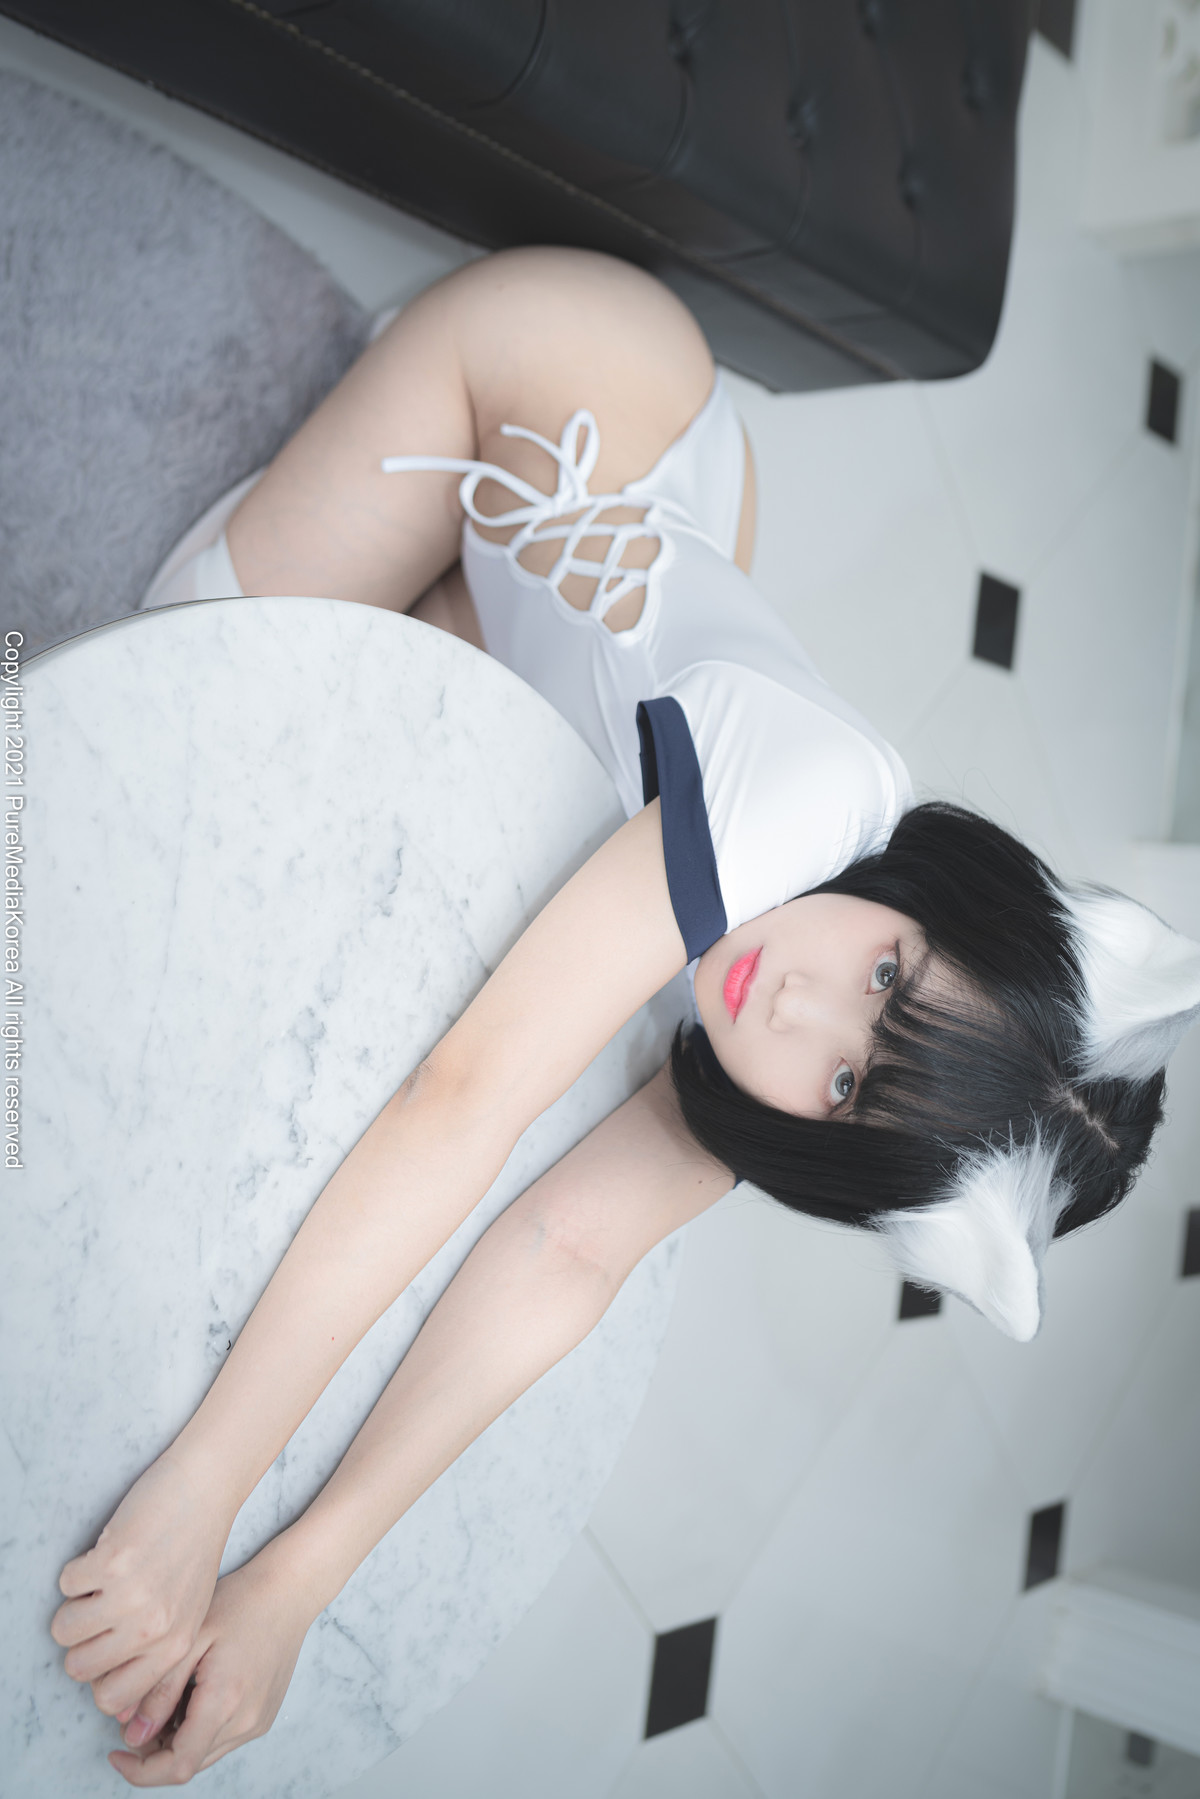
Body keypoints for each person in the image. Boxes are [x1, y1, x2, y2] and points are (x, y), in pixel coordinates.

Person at [50, 248, 1200, 1786]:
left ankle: (484, 606)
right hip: (561, 390)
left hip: (639, 594)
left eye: (847, 1080)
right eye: (887, 976)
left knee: (421, 775)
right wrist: (201, 1488)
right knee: (167, 683)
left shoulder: (779, 1066)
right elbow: (463, 1100)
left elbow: (567, 1249)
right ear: (944, 892)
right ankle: (461, 552)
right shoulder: (802, 806)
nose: (795, 1004)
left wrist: (292, 1586)